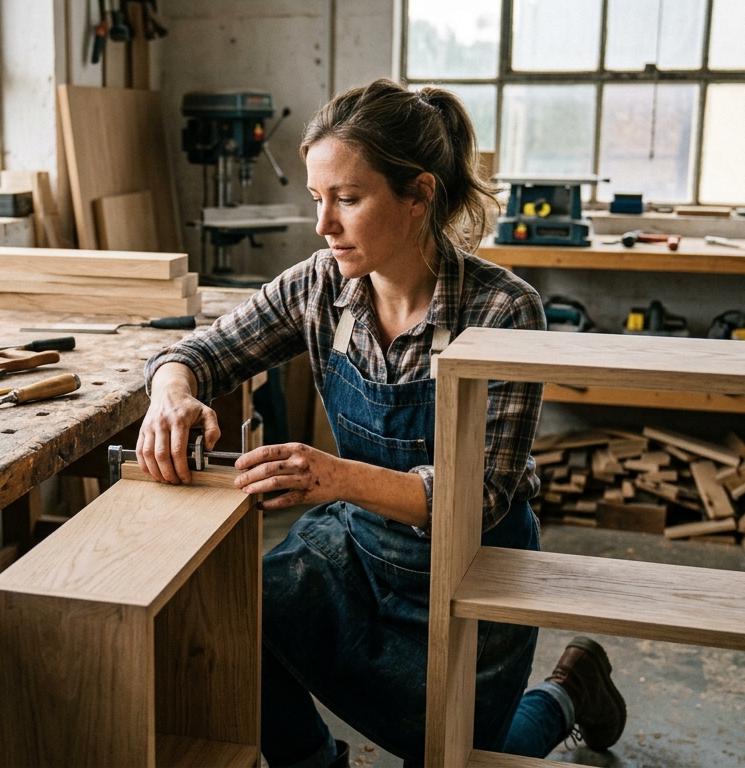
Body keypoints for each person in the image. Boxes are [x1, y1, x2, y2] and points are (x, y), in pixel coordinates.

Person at [138, 79, 626, 767]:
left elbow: (481, 493)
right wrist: (172, 395)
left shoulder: (503, 311)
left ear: (419, 193)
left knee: (454, 755)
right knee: (235, 624)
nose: (323, 225)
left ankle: (567, 692)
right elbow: (193, 352)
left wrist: (333, 475)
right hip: (357, 544)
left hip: (472, 563)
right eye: (317, 199)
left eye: (348, 199)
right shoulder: (320, 285)